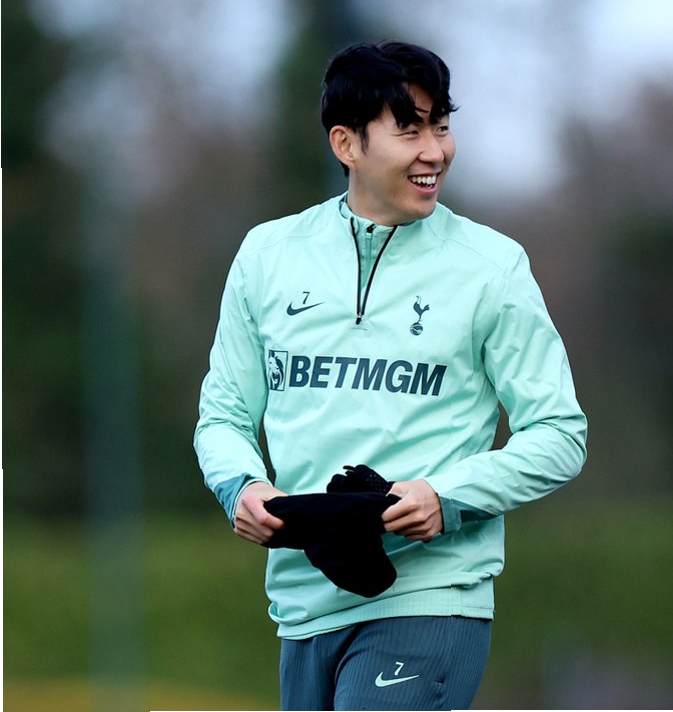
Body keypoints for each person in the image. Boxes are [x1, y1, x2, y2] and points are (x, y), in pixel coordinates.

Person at [194, 41, 587, 711]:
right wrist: (241, 485)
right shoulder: (266, 254)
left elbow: (559, 434)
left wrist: (446, 495)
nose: (435, 150)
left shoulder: (493, 266)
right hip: (302, 606)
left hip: (430, 599)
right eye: (410, 129)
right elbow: (224, 415)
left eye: (441, 125)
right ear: (345, 143)